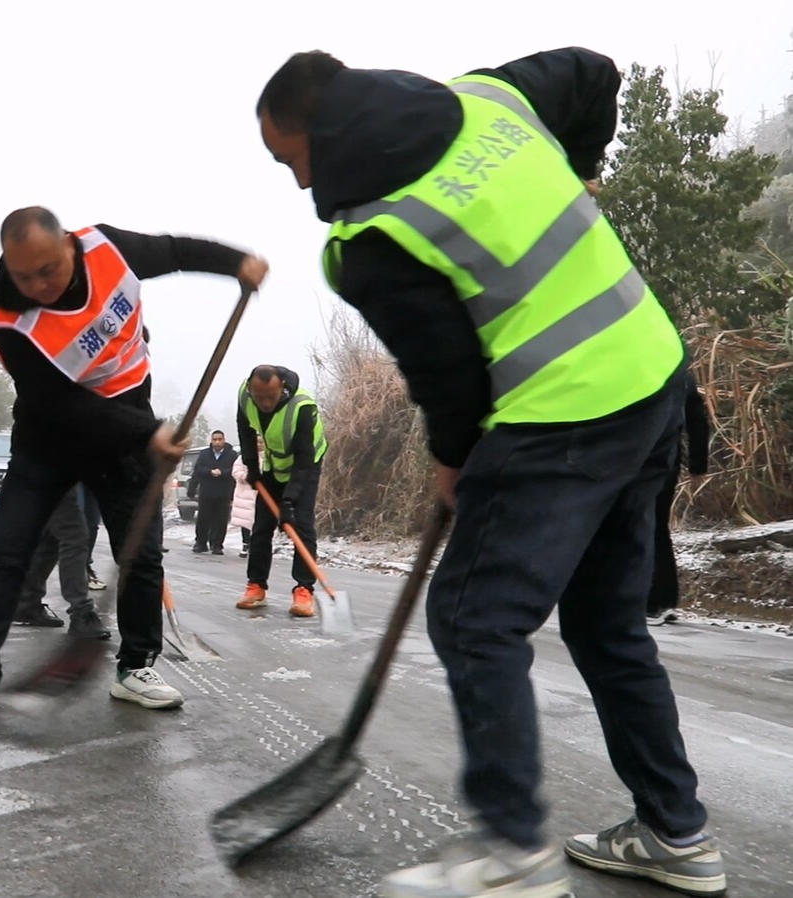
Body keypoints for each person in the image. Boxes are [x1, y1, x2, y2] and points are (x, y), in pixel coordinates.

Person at [257, 47, 725, 898]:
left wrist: (454, 461)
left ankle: (512, 850)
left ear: (324, 130)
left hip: (564, 412)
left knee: (473, 617)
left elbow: (448, 375)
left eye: (290, 157)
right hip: (652, 379)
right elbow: (590, 72)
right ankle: (674, 831)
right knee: (606, 627)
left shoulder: (370, 238)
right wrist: (578, 168)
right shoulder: (491, 100)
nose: (298, 182)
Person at [0, 206, 268, 713]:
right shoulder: (13, 326)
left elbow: (173, 250)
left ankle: (136, 667)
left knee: (140, 554)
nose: (38, 285)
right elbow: (62, 405)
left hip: (124, 429)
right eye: (24, 276)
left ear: (69, 244)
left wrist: (236, 262)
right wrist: (149, 433)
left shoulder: (107, 249)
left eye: (48, 270)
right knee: (9, 551)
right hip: (49, 441)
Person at [234, 365, 327, 618]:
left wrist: (288, 501)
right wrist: (252, 467)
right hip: (274, 464)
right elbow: (245, 429)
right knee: (262, 525)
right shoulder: (245, 396)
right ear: (251, 389)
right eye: (259, 397)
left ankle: (304, 589)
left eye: (271, 397)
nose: (265, 403)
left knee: (302, 524)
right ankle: (256, 586)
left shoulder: (302, 407)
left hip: (305, 466)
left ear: (282, 389)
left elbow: (305, 458)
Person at [648, 367, 712, 626]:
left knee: (635, 528)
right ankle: (664, 600)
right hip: (666, 461)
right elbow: (697, 417)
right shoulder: (677, 369)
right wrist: (698, 464)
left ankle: (651, 602)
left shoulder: (628, 367)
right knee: (657, 528)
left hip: (632, 461)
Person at [13, 485, 112, 639]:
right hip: (51, 478)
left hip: (56, 481)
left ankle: (27, 602)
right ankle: (81, 613)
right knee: (74, 535)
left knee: (53, 538)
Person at [188, 431, 238, 554]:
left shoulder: (232, 455)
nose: (217, 442)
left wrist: (222, 472)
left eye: (220, 439)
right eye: (215, 439)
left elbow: (235, 471)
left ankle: (217, 545)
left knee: (221, 519)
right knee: (203, 518)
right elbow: (198, 469)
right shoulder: (204, 454)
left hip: (224, 492)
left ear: (224, 440)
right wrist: (193, 488)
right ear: (211, 440)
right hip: (206, 492)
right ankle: (201, 543)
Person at [230, 445, 258, 557]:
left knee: (259, 521)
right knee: (245, 520)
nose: (259, 445)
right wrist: (247, 476)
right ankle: (245, 544)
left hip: (261, 493)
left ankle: (256, 544)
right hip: (245, 493)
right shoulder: (244, 457)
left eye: (261, 442)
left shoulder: (268, 456)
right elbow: (236, 472)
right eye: (257, 443)